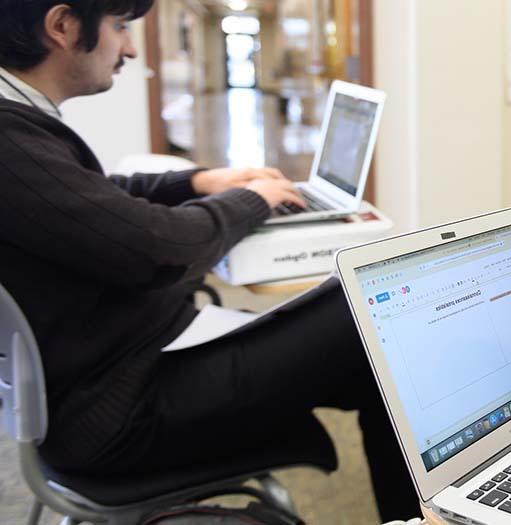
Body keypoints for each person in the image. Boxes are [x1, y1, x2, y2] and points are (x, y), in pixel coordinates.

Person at [0, 1, 417, 519]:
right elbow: (156, 248)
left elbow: (99, 199)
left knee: (375, 357)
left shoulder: (19, 131)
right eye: (119, 26)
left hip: (125, 370)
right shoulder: (7, 137)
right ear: (61, 26)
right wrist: (254, 200)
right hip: (121, 413)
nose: (130, 47)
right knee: (376, 306)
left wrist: (199, 182)